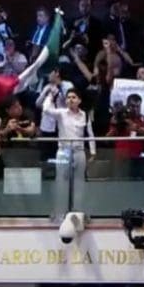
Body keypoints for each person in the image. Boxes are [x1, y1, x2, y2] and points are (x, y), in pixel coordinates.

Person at [42, 86, 96, 220]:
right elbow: (46, 109)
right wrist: (50, 95)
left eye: (73, 97)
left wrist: (93, 151)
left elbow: (90, 134)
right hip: (63, 152)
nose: (70, 100)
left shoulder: (84, 115)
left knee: (79, 183)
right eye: (68, 97)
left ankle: (78, 213)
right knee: (61, 182)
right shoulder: (61, 113)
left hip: (79, 151)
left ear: (79, 100)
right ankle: (60, 214)